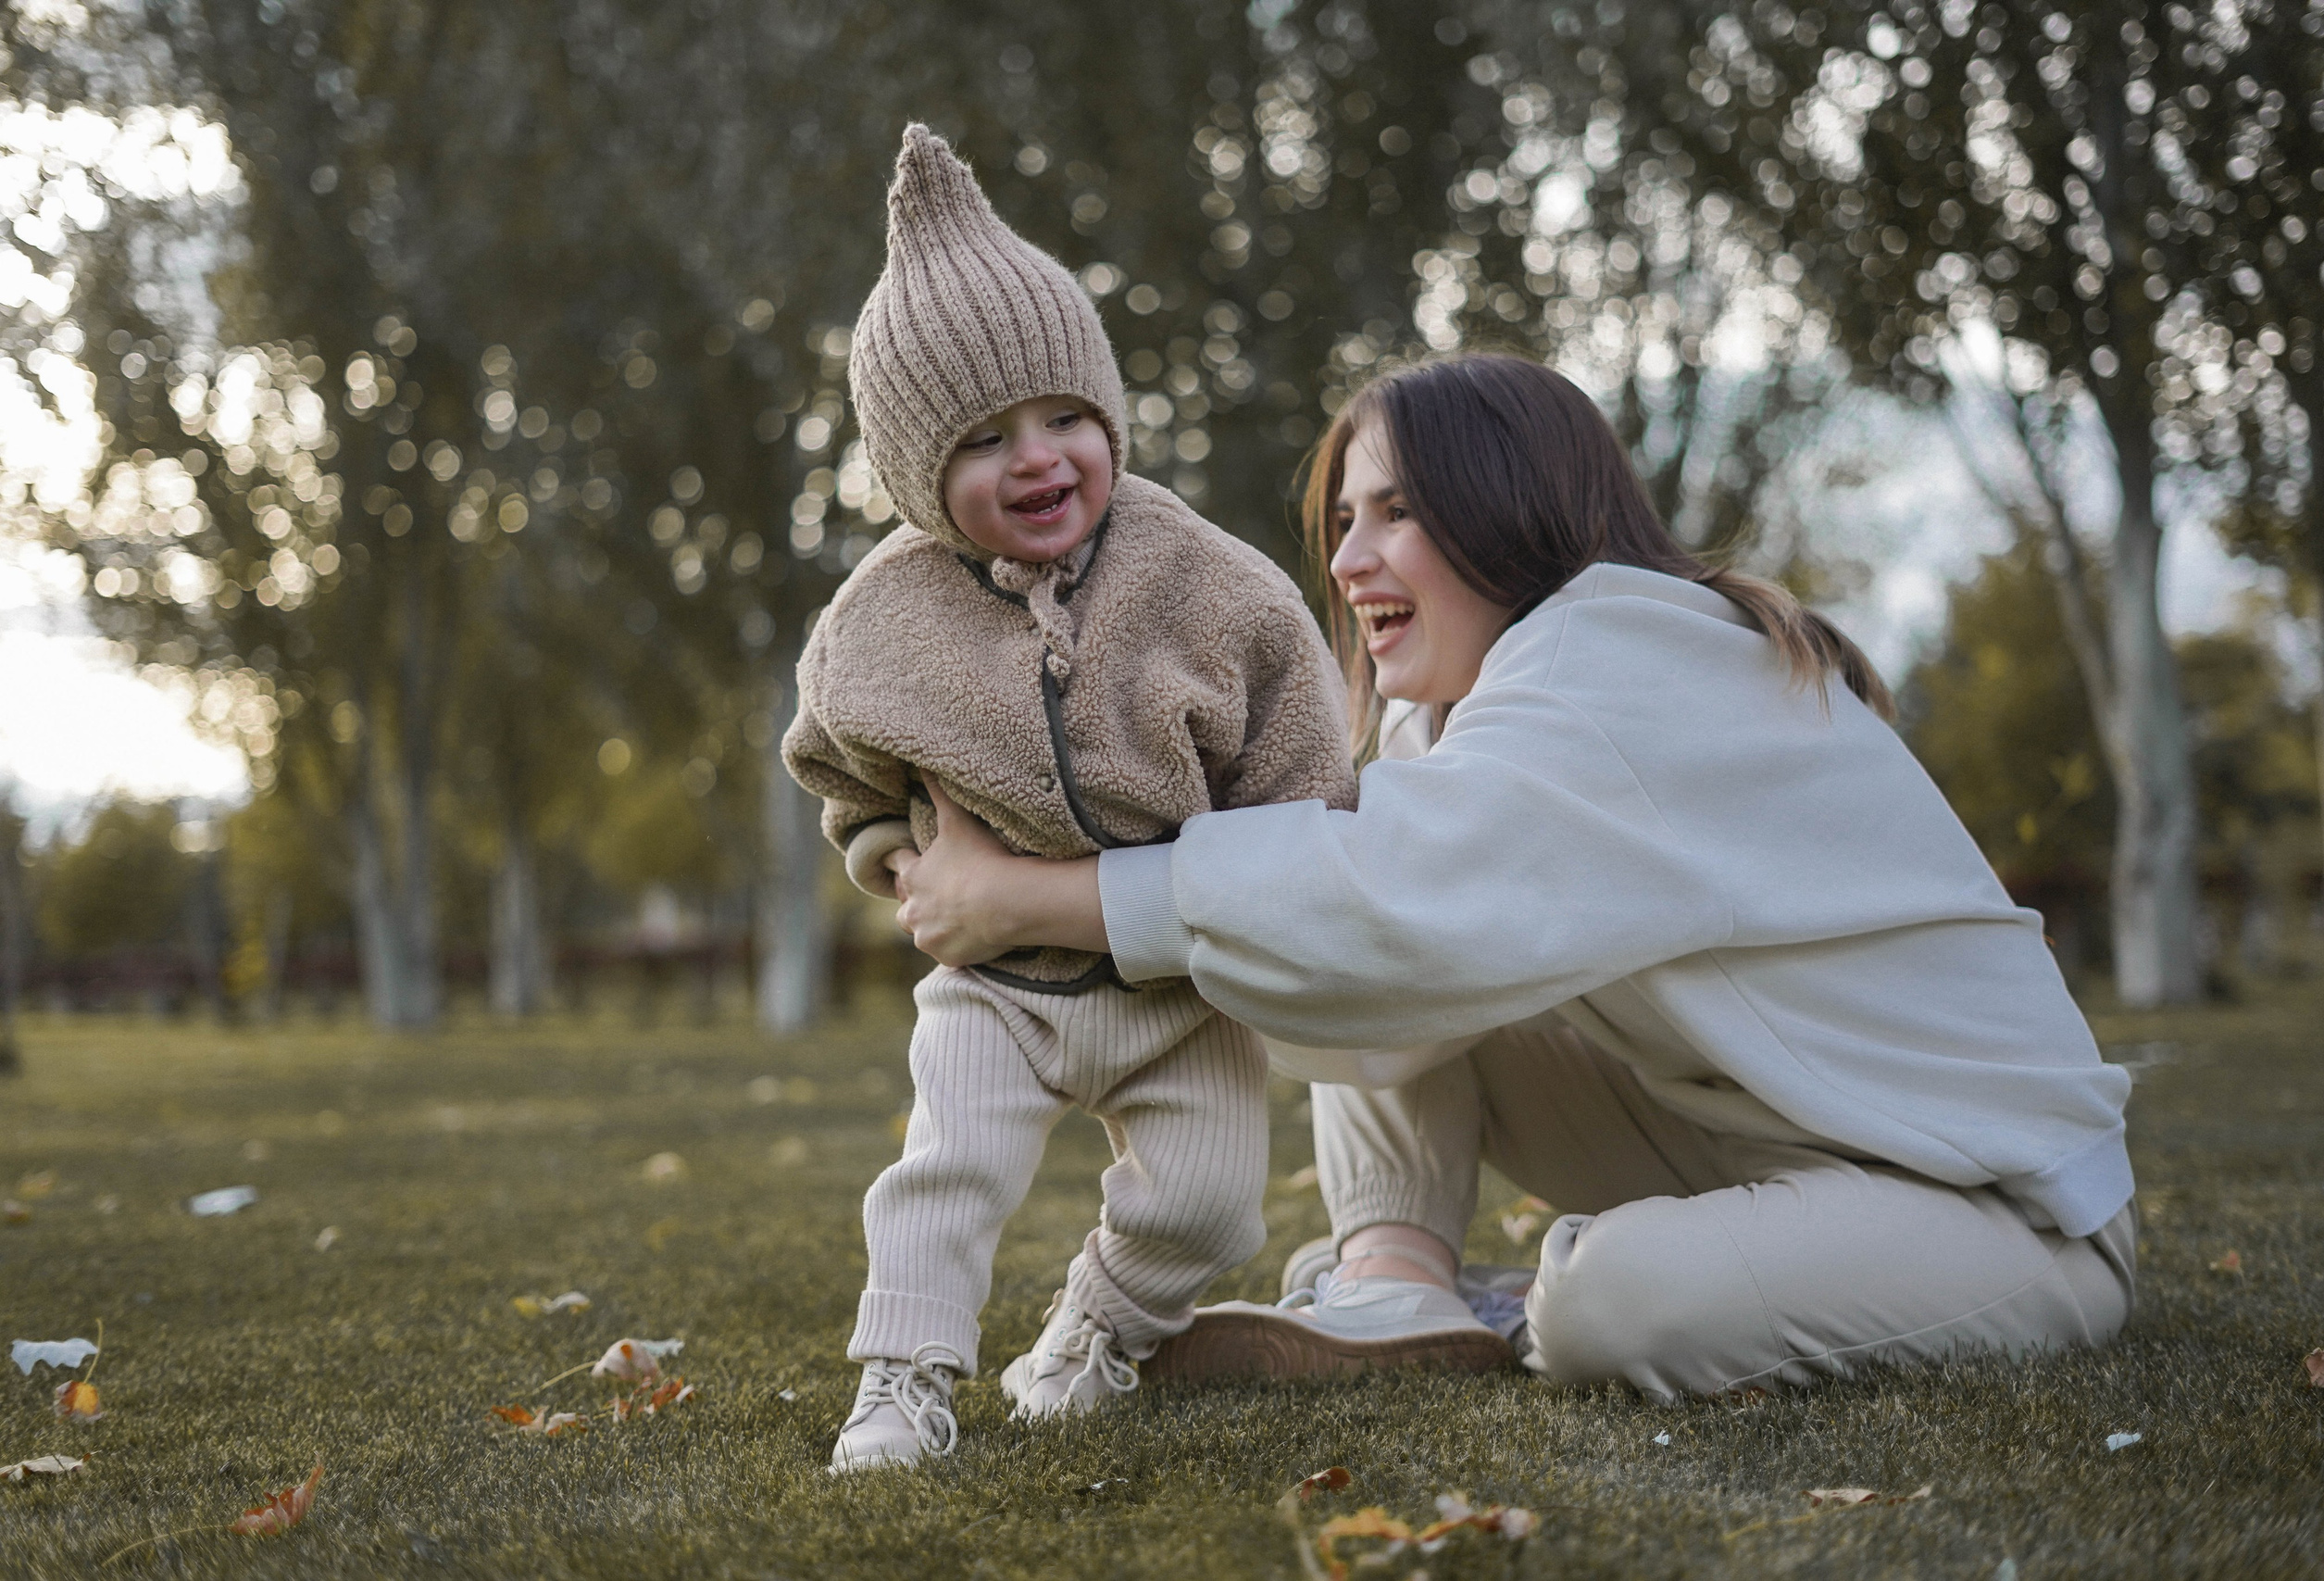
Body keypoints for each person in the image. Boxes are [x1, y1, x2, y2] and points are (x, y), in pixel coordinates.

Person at [881, 353, 2138, 1402]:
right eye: (1340, 523)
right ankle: (1391, 1283)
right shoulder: (1468, 719)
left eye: (1397, 514)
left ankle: (1513, 1299)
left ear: (1509, 509)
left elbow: (1387, 896)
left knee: (1606, 1305)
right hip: (1773, 1135)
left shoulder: (1629, 658)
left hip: (1998, 1212)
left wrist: (1022, 901)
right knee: (1367, 933)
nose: (1348, 562)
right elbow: (1356, 905)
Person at [783, 125, 1357, 1471]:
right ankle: (903, 1378)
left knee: (1212, 1212)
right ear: (919, 474)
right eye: (981, 441)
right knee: (946, 1177)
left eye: (1063, 418)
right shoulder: (882, 619)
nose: (1035, 459)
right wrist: (890, 859)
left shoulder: (1214, 589)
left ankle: (1097, 1325)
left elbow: (1300, 773)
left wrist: (1261, 889)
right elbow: (834, 759)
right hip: (998, 982)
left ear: (1108, 414)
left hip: (1181, 988)